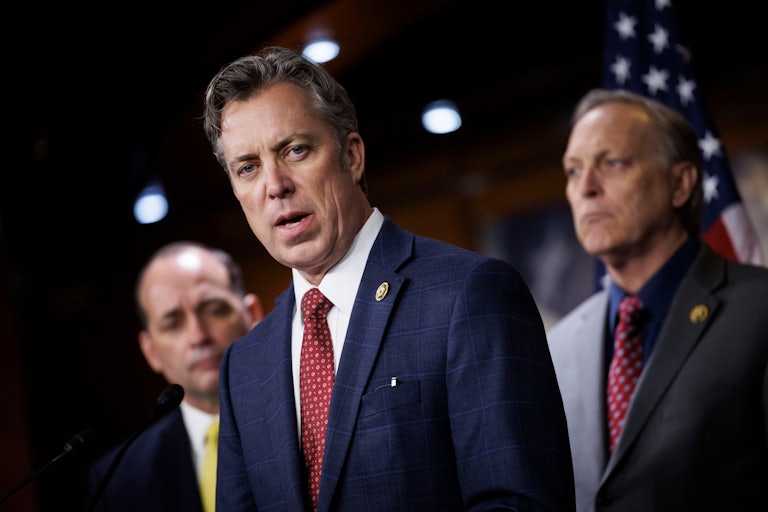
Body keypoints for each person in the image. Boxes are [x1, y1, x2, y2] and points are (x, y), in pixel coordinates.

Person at [200, 45, 576, 511]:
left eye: (295, 150)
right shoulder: (244, 365)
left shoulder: (469, 293)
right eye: (248, 167)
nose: (274, 184)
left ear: (351, 156)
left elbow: (522, 502)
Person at [548, 88, 768, 511]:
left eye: (612, 163)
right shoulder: (558, 348)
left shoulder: (760, 312)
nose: (587, 188)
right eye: (573, 171)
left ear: (680, 183)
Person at [85, 241, 264, 511]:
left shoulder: (319, 416)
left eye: (215, 310)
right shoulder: (117, 480)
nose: (198, 336)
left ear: (252, 315)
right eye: (173, 323)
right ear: (151, 351)